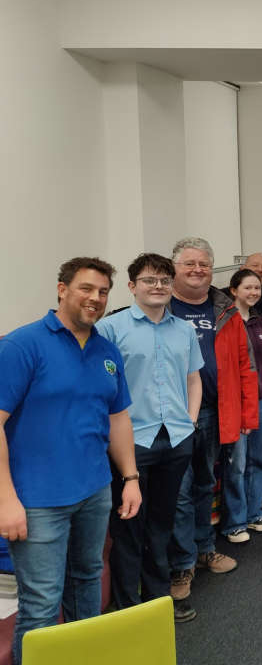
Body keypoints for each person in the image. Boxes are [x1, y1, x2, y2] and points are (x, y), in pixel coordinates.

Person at [0, 257, 141, 663]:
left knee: (87, 585)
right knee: (42, 603)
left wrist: (130, 478)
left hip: (94, 492)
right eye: (86, 288)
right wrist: (6, 499)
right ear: (62, 290)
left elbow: (117, 417)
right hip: (37, 501)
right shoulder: (21, 346)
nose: (96, 298)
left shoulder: (106, 350)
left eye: (103, 291)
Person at [95, 254, 202, 615]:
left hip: (175, 439)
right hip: (130, 443)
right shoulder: (110, 329)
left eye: (164, 281)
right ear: (132, 286)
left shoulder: (183, 330)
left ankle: (157, 603)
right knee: (128, 528)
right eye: (149, 280)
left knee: (161, 525)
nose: (158, 287)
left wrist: (189, 423)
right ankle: (129, 609)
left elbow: (193, 379)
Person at [168, 237, 256, 621]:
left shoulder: (225, 310)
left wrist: (247, 415)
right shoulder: (161, 306)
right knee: (180, 492)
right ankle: (182, 564)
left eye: (204, 264)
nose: (197, 269)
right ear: (174, 268)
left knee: (206, 484)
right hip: (171, 416)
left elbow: (244, 364)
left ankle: (205, 549)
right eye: (189, 263)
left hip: (214, 413)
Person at [226, 270, 262, 539]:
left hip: (261, 399)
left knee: (258, 460)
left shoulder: (261, 323)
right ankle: (234, 522)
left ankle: (254, 514)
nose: (253, 293)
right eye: (247, 287)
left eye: (257, 288)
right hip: (234, 402)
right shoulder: (224, 322)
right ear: (233, 290)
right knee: (236, 464)